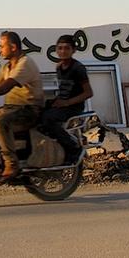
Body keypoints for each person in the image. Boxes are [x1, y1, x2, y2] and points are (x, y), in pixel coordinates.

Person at [0, 31, 44, 182]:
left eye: (2, 46)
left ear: (13, 47)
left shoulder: (25, 64)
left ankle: (11, 164)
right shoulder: (7, 67)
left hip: (28, 109)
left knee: (0, 122)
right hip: (11, 108)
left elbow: (6, 86)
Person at [41, 34, 93, 164]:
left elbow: (88, 92)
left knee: (47, 119)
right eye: (60, 48)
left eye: (66, 48)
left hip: (73, 107)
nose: (63, 51)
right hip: (62, 104)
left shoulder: (78, 68)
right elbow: (64, 90)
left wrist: (66, 103)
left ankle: (73, 148)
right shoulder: (59, 67)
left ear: (73, 50)